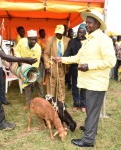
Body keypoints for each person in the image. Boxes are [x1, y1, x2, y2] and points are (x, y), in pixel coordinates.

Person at [53, 10, 116, 147]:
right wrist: (61, 59)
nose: (86, 25)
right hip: (88, 82)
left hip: (96, 83)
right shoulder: (88, 40)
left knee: (92, 111)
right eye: (86, 22)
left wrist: (90, 66)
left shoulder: (104, 40)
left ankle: (88, 140)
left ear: (98, 24)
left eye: (89, 22)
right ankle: (89, 130)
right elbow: (77, 58)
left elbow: (111, 61)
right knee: (90, 109)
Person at [14, 29, 44, 108]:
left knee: (39, 83)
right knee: (27, 84)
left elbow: (36, 62)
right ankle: (28, 103)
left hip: (35, 67)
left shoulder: (38, 48)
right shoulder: (22, 41)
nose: (34, 41)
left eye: (35, 39)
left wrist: (31, 74)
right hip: (24, 66)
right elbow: (16, 50)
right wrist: (19, 59)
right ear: (27, 39)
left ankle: (42, 101)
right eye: (31, 39)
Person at [64, 23, 87, 113]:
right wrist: (62, 59)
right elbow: (68, 52)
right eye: (78, 32)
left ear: (85, 33)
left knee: (84, 87)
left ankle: (83, 104)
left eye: (81, 33)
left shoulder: (88, 42)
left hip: (85, 68)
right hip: (75, 68)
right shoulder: (73, 41)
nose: (79, 34)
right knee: (75, 86)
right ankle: (76, 103)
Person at [44, 25, 70, 102]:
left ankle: (61, 101)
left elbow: (69, 54)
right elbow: (46, 54)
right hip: (52, 65)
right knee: (51, 83)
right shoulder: (50, 40)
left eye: (60, 33)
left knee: (61, 83)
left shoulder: (67, 40)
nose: (58, 35)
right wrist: (47, 66)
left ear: (63, 33)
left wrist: (68, 66)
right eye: (57, 33)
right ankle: (50, 100)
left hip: (62, 65)